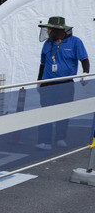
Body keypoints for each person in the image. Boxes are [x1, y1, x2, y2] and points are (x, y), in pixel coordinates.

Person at [36, 16, 90, 150]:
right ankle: (45, 141)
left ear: (58, 29)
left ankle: (60, 138)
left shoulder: (75, 42)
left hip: (66, 84)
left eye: (49, 29)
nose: (47, 32)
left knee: (63, 111)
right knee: (46, 112)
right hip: (48, 83)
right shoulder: (48, 43)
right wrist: (39, 81)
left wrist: (85, 73)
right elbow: (43, 64)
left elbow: (84, 59)